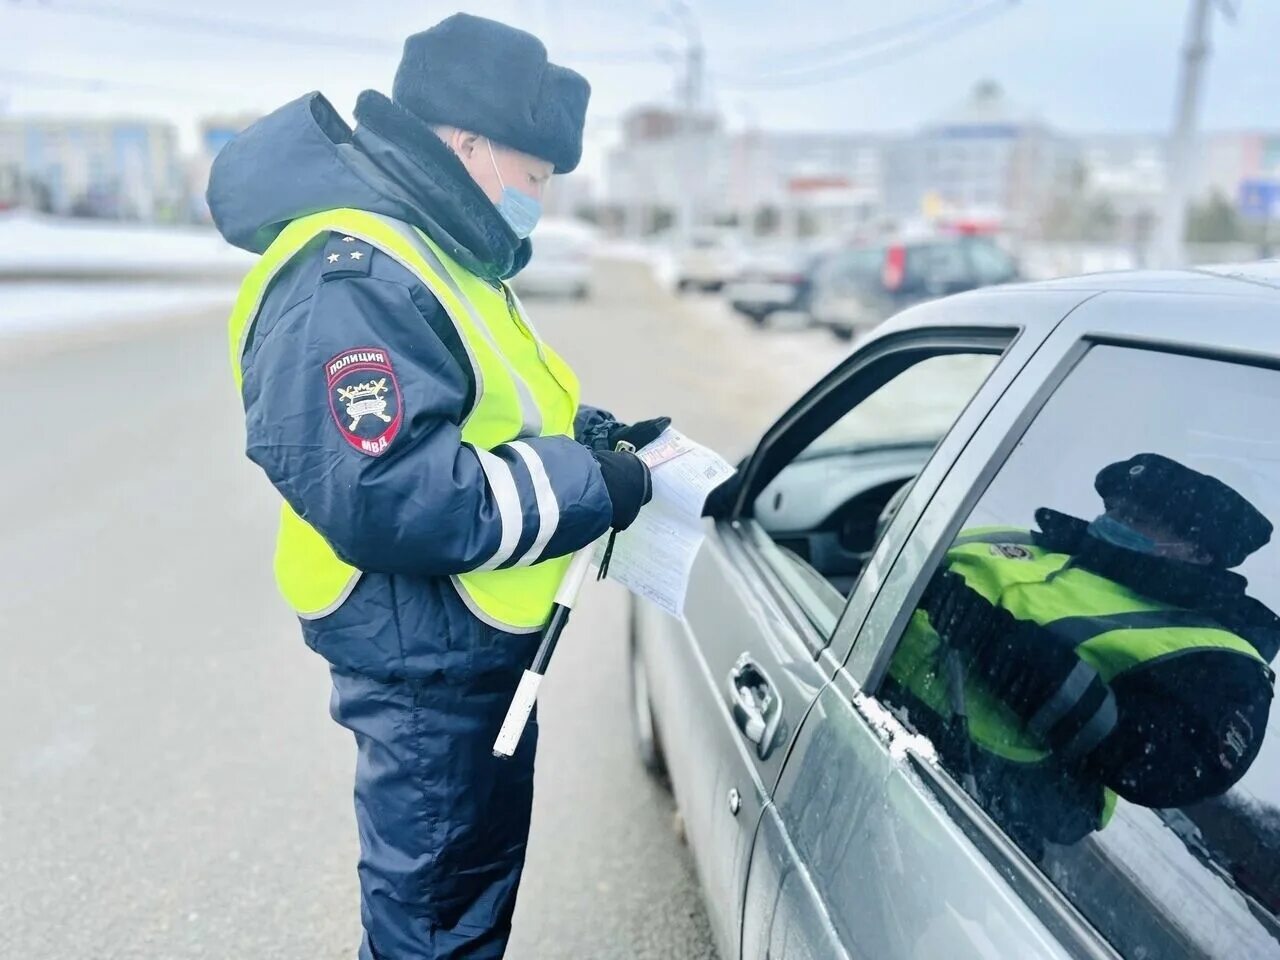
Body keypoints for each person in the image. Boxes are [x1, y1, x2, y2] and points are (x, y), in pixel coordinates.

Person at [209, 14, 668, 958]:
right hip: (425, 658)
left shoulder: (435, 246)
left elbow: (478, 414)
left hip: (465, 646)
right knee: (435, 924)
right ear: (469, 147)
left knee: (462, 899)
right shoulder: (357, 268)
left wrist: (588, 438)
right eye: (535, 178)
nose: (539, 201)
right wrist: (591, 482)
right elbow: (392, 496)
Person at [885, 453, 1278, 856]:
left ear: (1197, 552)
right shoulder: (1023, 543)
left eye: (1139, 519)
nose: (1114, 522)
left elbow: (1162, 767)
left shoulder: (1217, 659)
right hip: (863, 718)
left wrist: (991, 640)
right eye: (1116, 508)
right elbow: (889, 570)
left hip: (955, 824)